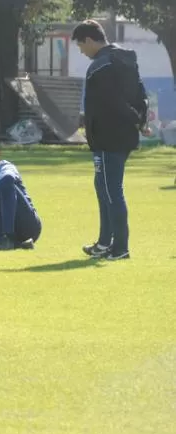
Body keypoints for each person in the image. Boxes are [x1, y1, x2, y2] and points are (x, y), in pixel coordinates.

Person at [72, 19, 148, 261]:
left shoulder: (100, 66)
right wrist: (140, 120)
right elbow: (141, 93)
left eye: (81, 46)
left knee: (111, 190)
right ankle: (105, 243)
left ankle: (120, 247)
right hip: (123, 135)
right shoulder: (126, 60)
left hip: (107, 136)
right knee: (104, 187)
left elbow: (110, 102)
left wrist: (135, 119)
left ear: (90, 40)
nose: (81, 51)